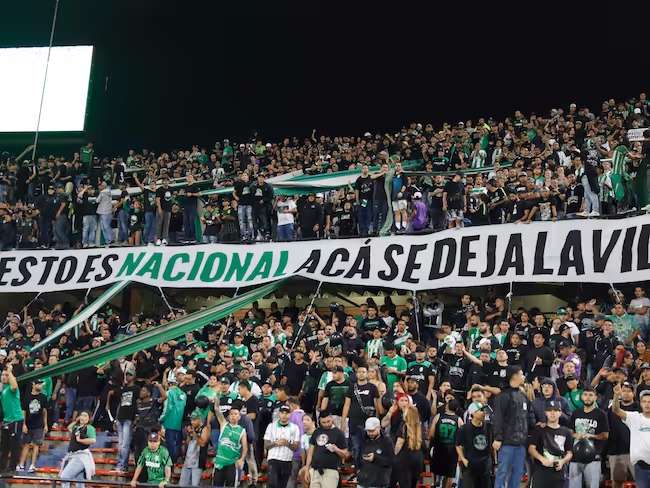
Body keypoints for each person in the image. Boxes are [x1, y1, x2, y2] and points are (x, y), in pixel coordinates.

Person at [492, 365, 533, 488]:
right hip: (506, 442)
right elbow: (498, 418)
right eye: (521, 374)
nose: (523, 376)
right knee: (502, 472)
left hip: (521, 443)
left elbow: (528, 417)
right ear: (514, 376)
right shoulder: (503, 396)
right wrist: (498, 438)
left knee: (518, 473)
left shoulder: (523, 396)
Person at [568, 386, 609, 488]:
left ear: (595, 397)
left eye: (591, 395)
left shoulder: (601, 414)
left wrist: (591, 436)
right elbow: (569, 432)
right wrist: (576, 435)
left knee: (592, 486)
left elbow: (605, 435)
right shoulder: (576, 413)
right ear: (582, 396)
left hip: (593, 457)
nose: (588, 397)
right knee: (573, 486)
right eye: (585, 394)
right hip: (575, 456)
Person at [527, 400, 573, 486]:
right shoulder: (539, 430)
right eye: (549, 410)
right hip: (541, 472)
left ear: (560, 413)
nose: (552, 413)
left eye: (555, 410)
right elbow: (531, 449)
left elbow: (569, 453)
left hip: (559, 473)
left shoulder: (566, 432)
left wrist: (563, 461)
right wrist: (542, 459)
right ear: (545, 413)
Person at [612, 384, 650, 488]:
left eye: (649, 402)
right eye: (644, 402)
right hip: (641, 466)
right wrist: (616, 395)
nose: (647, 404)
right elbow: (616, 410)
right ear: (640, 404)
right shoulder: (634, 417)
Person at [304, 411, 348, 488]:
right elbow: (310, 453)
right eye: (323, 422)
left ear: (331, 418)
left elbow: (345, 454)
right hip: (315, 470)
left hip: (331, 471)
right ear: (320, 421)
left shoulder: (339, 433)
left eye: (328, 421)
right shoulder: (317, 431)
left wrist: (336, 449)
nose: (327, 424)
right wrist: (307, 469)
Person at [213, 396, 248, 488]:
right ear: (228, 416)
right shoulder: (224, 425)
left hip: (232, 463)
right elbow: (217, 410)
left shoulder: (242, 431)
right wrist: (216, 401)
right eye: (231, 414)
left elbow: (245, 447)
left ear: (239, 417)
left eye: (236, 414)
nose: (233, 416)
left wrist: (242, 459)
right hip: (220, 462)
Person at [456, 402, 492, 488]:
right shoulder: (464, 429)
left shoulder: (489, 427)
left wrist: (494, 462)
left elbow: (492, 446)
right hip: (470, 466)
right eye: (480, 410)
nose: (483, 412)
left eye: (483, 410)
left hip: (485, 466)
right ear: (473, 413)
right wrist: (463, 459)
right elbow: (458, 445)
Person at [264, 404, 301, 488]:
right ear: (279, 414)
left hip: (287, 461)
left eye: (286, 413)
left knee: (282, 485)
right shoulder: (271, 426)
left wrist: (287, 443)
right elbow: (266, 445)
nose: (284, 415)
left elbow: (296, 448)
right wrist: (276, 443)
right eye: (282, 413)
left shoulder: (295, 428)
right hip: (273, 459)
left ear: (290, 414)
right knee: (272, 484)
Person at [59, 411, 97, 488]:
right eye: (81, 415)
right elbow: (69, 427)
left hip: (81, 457)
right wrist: (76, 420)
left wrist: (80, 440)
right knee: (80, 482)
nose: (83, 417)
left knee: (64, 477)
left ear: (89, 418)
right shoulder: (76, 427)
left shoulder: (89, 427)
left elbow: (93, 440)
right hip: (73, 456)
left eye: (85, 416)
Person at [18, 379, 48, 473]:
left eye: (41, 384)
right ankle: (21, 464)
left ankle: (33, 465)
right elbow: (24, 412)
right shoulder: (26, 397)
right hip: (28, 424)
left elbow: (44, 411)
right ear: (33, 385)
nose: (41, 386)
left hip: (39, 425)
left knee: (36, 445)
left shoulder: (43, 397)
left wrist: (46, 424)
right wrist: (23, 424)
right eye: (39, 384)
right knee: (26, 445)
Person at [0, 363, 24, 473]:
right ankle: (2, 467)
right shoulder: (3, 389)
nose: (4, 376)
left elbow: (14, 386)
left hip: (15, 420)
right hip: (6, 420)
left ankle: (12, 469)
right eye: (2, 375)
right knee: (4, 445)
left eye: (6, 375)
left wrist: (10, 372)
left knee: (14, 446)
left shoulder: (12, 388)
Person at [357, 417, 393, 488]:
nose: (370, 433)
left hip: (378, 482)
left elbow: (391, 461)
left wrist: (375, 458)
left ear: (378, 428)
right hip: (363, 481)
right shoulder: (364, 439)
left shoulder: (387, 441)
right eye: (368, 431)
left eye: (372, 431)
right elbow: (358, 456)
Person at [394, 405, 424, 488]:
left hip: (405, 459)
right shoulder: (420, 426)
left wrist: (394, 455)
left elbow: (399, 443)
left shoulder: (404, 426)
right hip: (418, 459)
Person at [179, 411, 210, 487]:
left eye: (194, 420)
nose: (192, 422)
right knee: (182, 485)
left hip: (197, 463)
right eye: (191, 420)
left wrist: (195, 434)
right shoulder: (192, 428)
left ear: (199, 419)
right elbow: (188, 443)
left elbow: (202, 443)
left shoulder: (205, 428)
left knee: (194, 485)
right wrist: (189, 434)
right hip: (188, 461)